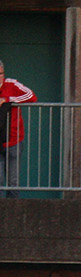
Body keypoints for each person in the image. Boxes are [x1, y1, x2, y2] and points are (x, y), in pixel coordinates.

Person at [0, 58, 37, 199]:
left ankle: (12, 215)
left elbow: (32, 97)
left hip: (13, 139)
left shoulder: (12, 84)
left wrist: (8, 100)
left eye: (1, 74)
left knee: (13, 182)